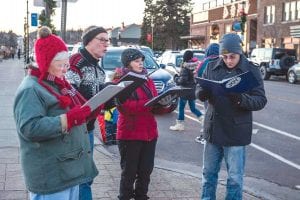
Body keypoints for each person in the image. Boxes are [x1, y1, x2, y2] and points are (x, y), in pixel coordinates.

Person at [13, 26, 98, 200]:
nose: (66, 69)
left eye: (66, 64)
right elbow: (30, 127)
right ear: (46, 62)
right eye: (61, 65)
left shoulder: (55, 82)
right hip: (51, 177)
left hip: (66, 172)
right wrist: (68, 120)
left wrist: (88, 111)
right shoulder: (31, 89)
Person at [195, 33, 267, 200]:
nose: (228, 60)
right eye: (225, 56)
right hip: (213, 130)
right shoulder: (212, 66)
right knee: (208, 175)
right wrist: (202, 93)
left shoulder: (251, 69)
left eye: (232, 57)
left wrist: (241, 99)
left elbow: (260, 101)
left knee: (234, 178)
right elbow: (199, 88)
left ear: (240, 53)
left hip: (236, 133)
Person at [114, 48, 173, 200]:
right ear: (128, 64)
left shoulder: (147, 79)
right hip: (130, 134)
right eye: (136, 61)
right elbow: (125, 107)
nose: (141, 64)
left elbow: (154, 108)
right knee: (129, 174)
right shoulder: (121, 81)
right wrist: (149, 103)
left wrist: (164, 105)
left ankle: (142, 196)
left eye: (141, 61)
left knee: (146, 172)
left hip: (149, 133)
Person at [65, 25, 109, 200]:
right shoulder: (75, 62)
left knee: (86, 176)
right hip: (76, 130)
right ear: (88, 41)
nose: (106, 44)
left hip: (89, 129)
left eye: (108, 40)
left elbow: (98, 98)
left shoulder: (99, 68)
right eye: (102, 40)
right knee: (81, 177)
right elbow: (68, 96)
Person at [169, 50, 203, 131]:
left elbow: (183, 80)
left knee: (181, 107)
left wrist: (176, 78)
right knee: (193, 108)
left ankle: (180, 125)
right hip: (193, 90)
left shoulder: (185, 67)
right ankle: (204, 121)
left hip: (185, 90)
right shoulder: (196, 65)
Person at [194, 43, 220, 144]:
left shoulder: (205, 62)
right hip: (221, 93)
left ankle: (205, 136)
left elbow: (198, 76)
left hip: (207, 93)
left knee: (208, 114)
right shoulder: (222, 60)